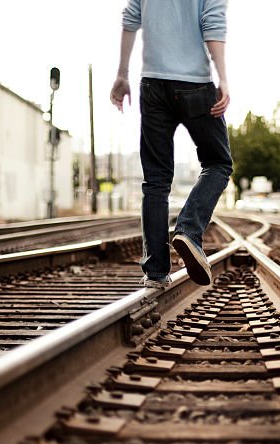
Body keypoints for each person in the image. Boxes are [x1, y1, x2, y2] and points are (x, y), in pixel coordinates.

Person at [111, 0, 233, 289]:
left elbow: (130, 18)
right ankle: (189, 230)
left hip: (152, 84)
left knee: (155, 180)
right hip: (194, 84)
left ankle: (155, 272)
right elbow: (212, 25)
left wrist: (121, 74)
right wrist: (224, 79)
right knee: (218, 162)